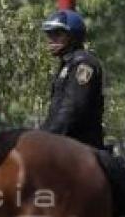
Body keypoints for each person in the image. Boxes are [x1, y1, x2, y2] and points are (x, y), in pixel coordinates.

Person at [40, 9, 105, 150]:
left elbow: (73, 108)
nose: (51, 40)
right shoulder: (67, 65)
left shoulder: (84, 64)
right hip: (65, 145)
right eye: (49, 34)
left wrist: (45, 137)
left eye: (57, 34)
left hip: (82, 148)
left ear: (73, 37)